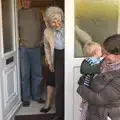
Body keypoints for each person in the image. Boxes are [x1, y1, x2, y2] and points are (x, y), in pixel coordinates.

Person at [77, 34, 120, 120]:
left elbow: (99, 99)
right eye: (103, 52)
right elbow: (86, 73)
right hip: (92, 113)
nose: (103, 56)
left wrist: (81, 88)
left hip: (105, 116)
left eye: (107, 54)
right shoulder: (105, 63)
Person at [18, 0, 45, 107]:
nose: (25, 2)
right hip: (24, 48)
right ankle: (26, 98)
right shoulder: (18, 13)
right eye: (23, 0)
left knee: (37, 74)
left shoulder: (38, 12)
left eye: (27, 0)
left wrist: (42, 40)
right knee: (25, 74)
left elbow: (44, 27)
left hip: (36, 47)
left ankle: (37, 96)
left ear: (31, 1)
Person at [43, 6, 64, 120]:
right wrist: (50, 62)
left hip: (70, 57)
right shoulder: (47, 31)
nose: (57, 24)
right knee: (59, 87)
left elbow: (87, 39)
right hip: (57, 58)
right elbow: (46, 46)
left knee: (71, 85)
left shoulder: (70, 27)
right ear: (49, 22)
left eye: (59, 21)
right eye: (53, 22)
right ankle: (59, 114)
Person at [78, 42, 103, 120]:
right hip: (87, 88)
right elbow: (85, 69)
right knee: (86, 106)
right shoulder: (89, 61)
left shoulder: (97, 61)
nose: (102, 52)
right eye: (100, 50)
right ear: (95, 52)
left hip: (92, 89)